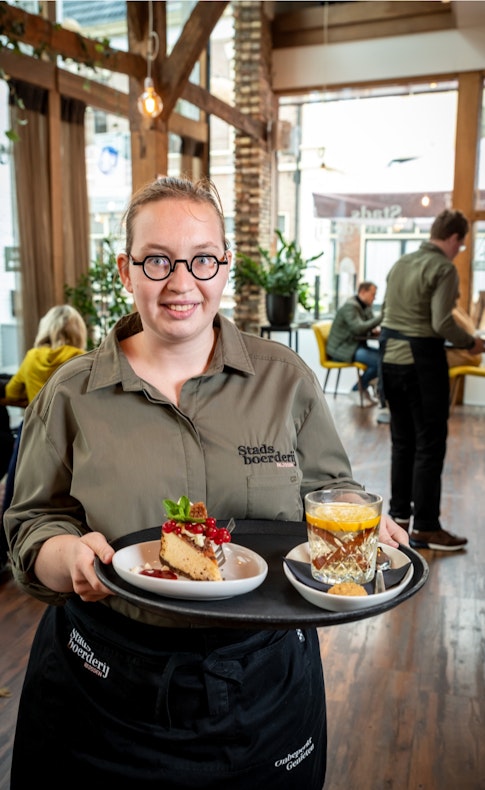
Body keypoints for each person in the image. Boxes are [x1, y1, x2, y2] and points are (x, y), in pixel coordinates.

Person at [4, 176, 407, 789]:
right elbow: (33, 523)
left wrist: (359, 524)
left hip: (264, 685)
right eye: (158, 259)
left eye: (202, 259)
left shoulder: (285, 380)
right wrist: (67, 555)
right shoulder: (70, 393)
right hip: (102, 686)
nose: (181, 282)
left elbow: (330, 496)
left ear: (225, 268)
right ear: (126, 269)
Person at [380, 209, 485, 551]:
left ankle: (399, 517)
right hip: (421, 364)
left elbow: (387, 314)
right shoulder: (442, 268)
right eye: (462, 244)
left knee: (402, 442)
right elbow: (442, 323)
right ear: (454, 238)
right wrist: (472, 343)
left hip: (390, 361)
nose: (460, 250)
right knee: (429, 444)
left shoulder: (402, 263)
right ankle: (426, 526)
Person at [0, 305, 87, 574]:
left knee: (19, 498)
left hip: (33, 431)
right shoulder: (82, 359)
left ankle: (14, 553)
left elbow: (11, 393)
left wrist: (33, 399)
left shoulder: (32, 357)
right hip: (74, 435)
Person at [326, 281, 382, 406]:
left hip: (355, 347)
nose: (375, 298)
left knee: (382, 358)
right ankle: (358, 390)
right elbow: (358, 328)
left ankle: (362, 388)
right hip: (342, 350)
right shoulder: (350, 307)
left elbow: (367, 326)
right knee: (380, 361)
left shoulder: (365, 307)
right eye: (373, 294)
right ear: (363, 292)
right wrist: (381, 317)